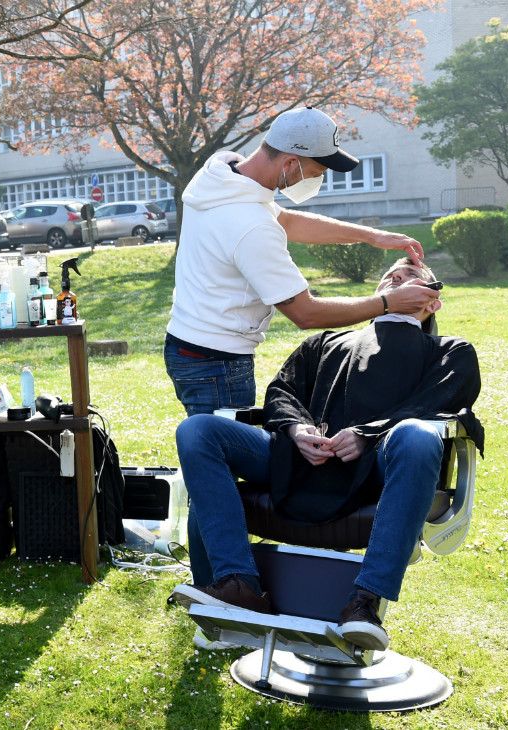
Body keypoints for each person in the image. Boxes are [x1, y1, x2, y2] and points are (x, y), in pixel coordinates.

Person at [164, 106, 442, 602]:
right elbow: (306, 313)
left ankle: (224, 582)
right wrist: (386, 303)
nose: (316, 179)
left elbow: (286, 218)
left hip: (193, 345)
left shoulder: (223, 175)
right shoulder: (248, 226)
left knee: (210, 462)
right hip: (214, 360)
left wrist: (372, 236)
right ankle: (221, 588)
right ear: (291, 163)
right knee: (212, 465)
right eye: (315, 170)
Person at [169, 259, 482, 652]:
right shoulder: (326, 343)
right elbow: (282, 391)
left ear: (431, 302)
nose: (397, 275)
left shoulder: (450, 352)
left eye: (411, 276)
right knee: (198, 430)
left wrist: (369, 435)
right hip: (301, 461)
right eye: (391, 273)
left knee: (418, 436)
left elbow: (441, 402)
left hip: (381, 466)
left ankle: (364, 604)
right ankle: (239, 583)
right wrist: (296, 428)